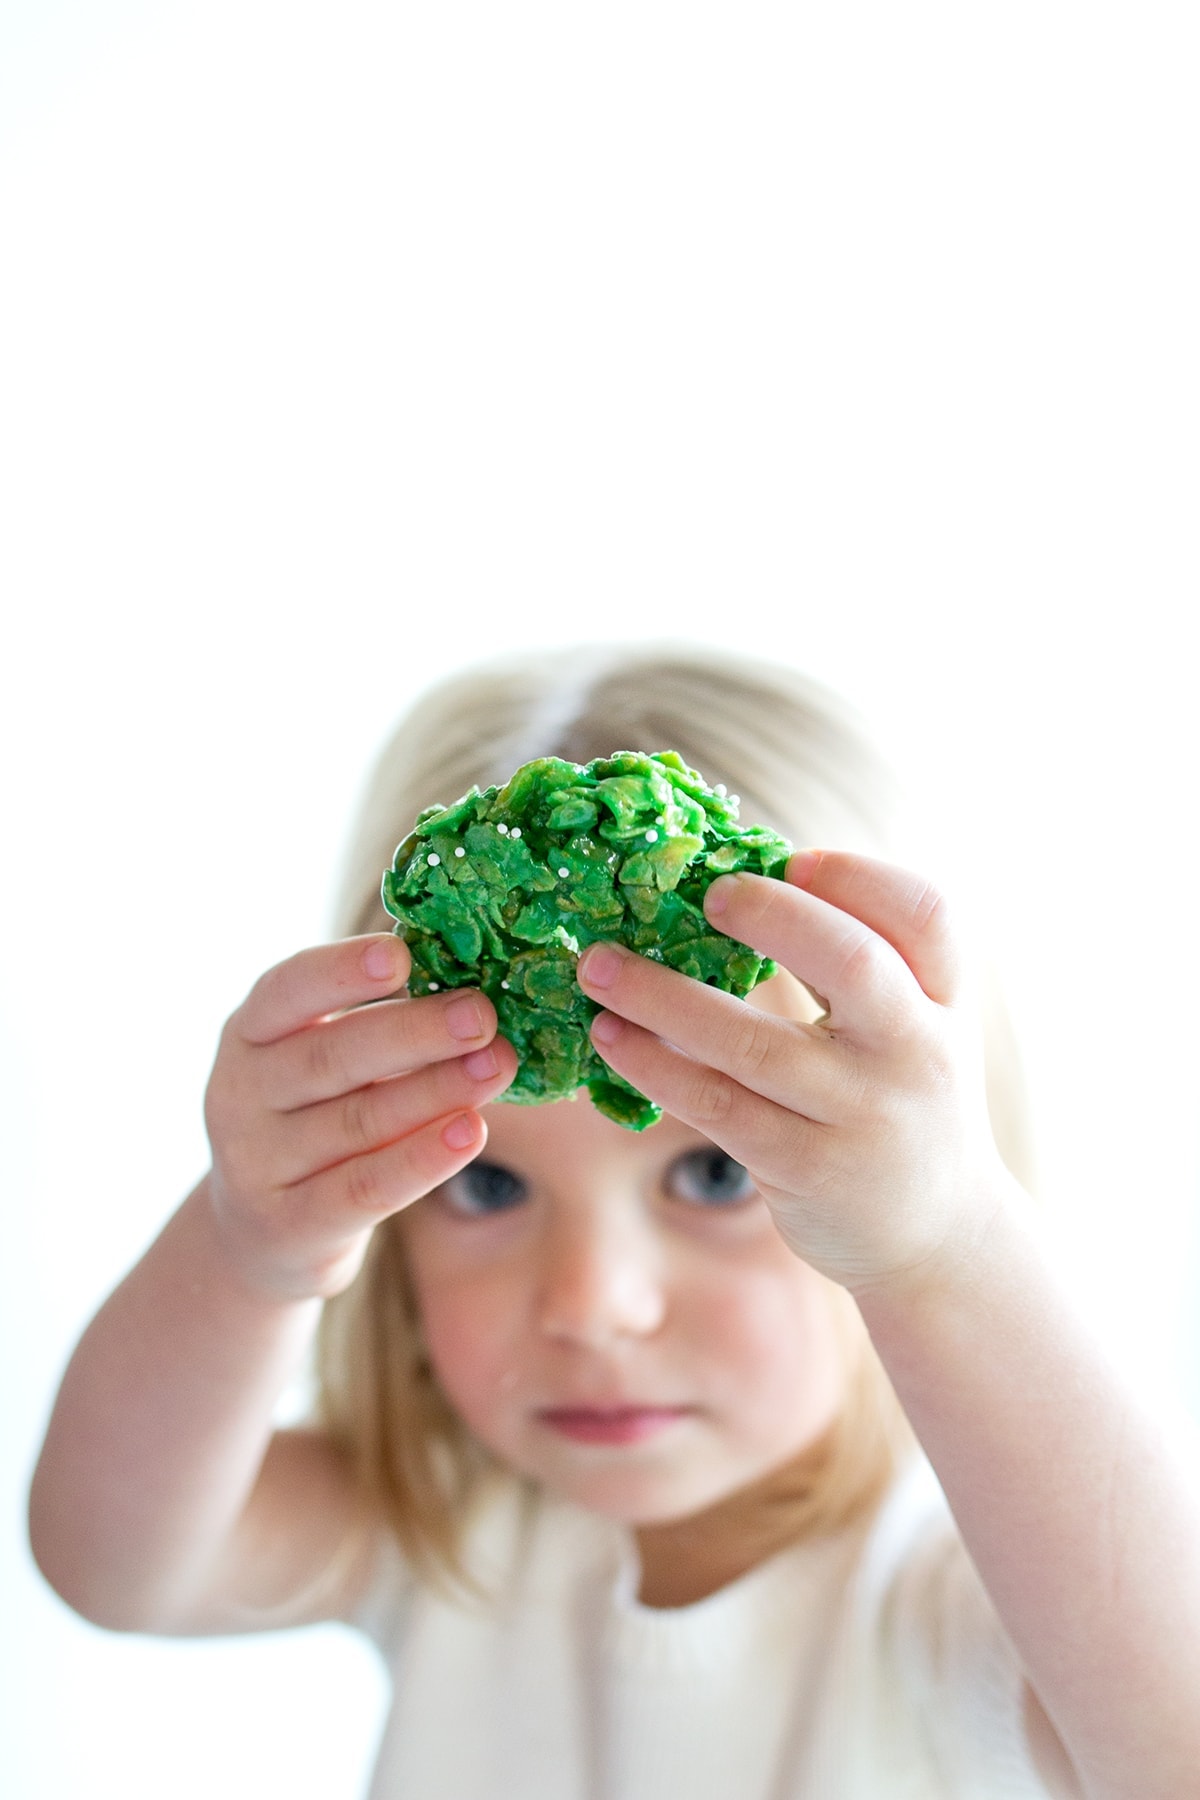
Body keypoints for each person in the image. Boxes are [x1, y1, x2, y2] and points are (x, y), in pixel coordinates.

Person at [28, 643, 1200, 1799]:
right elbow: (111, 1564)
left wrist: (950, 1251)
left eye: (716, 1178)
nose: (593, 1304)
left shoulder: (962, 1591)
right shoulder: (454, 1530)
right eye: (486, 1187)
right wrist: (248, 1245)